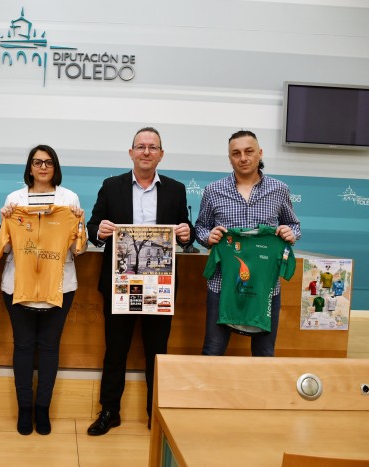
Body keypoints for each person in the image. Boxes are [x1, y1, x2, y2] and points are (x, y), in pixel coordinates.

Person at [86, 127, 194, 436]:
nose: (146, 152)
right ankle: (109, 411)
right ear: (131, 152)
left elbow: (186, 233)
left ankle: (154, 414)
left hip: (159, 286)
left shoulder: (175, 189)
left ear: (161, 154)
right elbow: (93, 226)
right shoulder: (111, 186)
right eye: (141, 147)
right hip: (121, 285)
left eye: (152, 147)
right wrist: (100, 231)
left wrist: (188, 235)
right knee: (115, 350)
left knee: (156, 352)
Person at [0, 144, 87, 435]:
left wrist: (79, 222)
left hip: (59, 286)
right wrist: (4, 219)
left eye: (48, 162)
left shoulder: (69, 198)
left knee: (49, 348)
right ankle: (24, 409)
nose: (43, 167)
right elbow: (2, 246)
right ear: (30, 167)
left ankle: (42, 409)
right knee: (22, 347)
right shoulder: (14, 199)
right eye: (37, 162)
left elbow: (79, 249)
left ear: (55, 166)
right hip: (17, 286)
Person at [195, 129, 301, 357]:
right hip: (222, 285)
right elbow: (200, 227)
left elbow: (294, 225)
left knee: (264, 353)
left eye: (248, 151)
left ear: (260, 153)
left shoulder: (279, 190)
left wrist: (289, 233)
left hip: (265, 287)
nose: (243, 158)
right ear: (229, 158)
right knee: (212, 350)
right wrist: (207, 237)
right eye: (236, 153)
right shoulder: (213, 191)